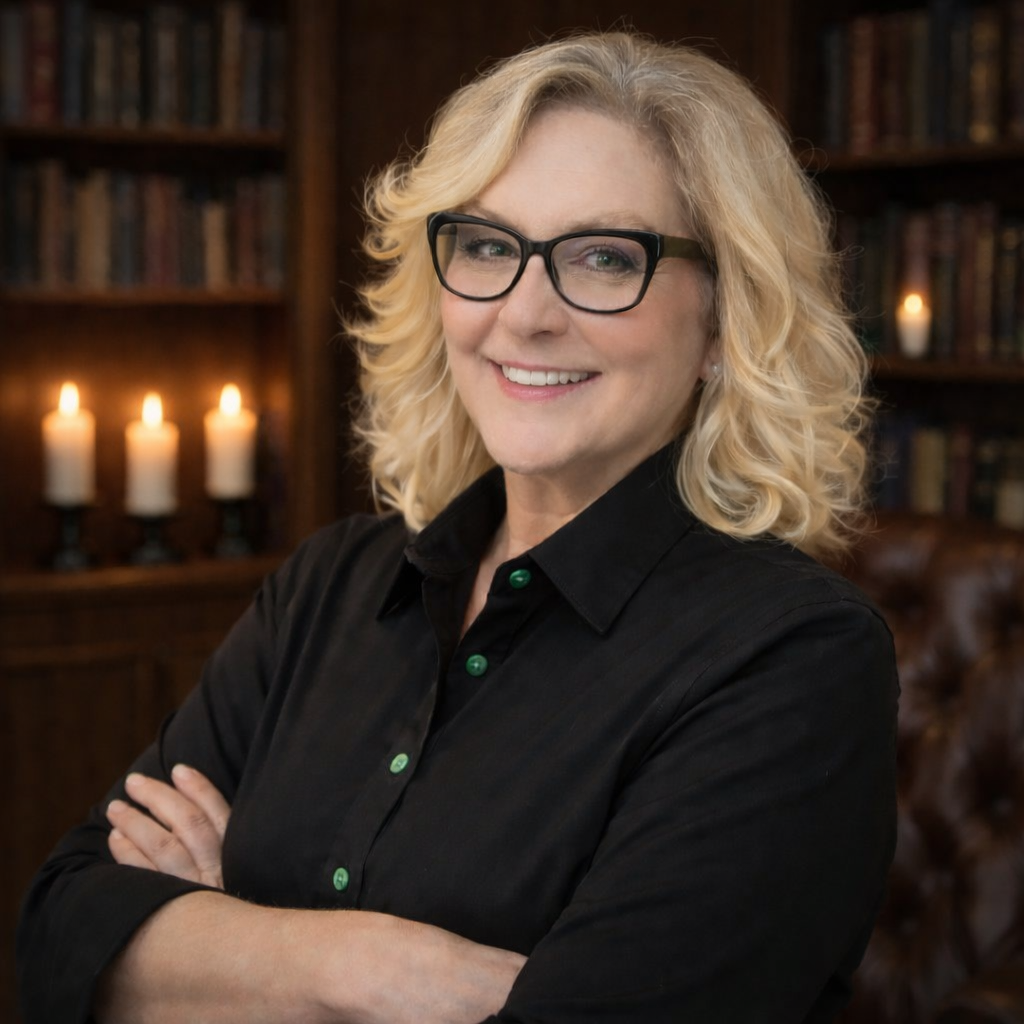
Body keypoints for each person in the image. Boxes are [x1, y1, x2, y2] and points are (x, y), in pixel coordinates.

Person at [16, 29, 898, 1024]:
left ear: (725, 325)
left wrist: (217, 943)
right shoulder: (330, 582)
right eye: (485, 245)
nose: (523, 314)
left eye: (604, 258)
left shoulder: (791, 658)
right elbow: (60, 935)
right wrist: (367, 969)